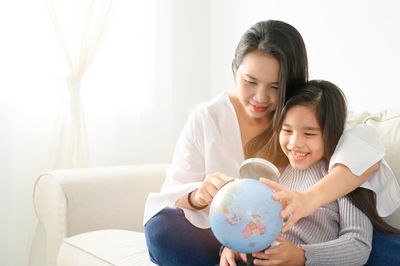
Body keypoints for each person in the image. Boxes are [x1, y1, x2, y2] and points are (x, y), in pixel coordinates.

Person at [144, 20, 400, 266]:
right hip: (233, 232)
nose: (260, 97)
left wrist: (307, 201)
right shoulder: (206, 118)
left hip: (303, 240)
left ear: (291, 83)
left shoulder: (305, 116)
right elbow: (174, 195)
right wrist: (200, 196)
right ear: (235, 67)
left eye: (275, 87)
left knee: (382, 248)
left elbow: (363, 155)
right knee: (163, 230)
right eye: (250, 82)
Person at [221, 79, 400, 266]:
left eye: (309, 134)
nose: (295, 143)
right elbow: (249, 222)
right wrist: (232, 245)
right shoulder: (275, 172)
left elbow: (358, 245)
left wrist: (301, 256)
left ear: (332, 133)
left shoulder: (342, 178)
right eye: (287, 130)